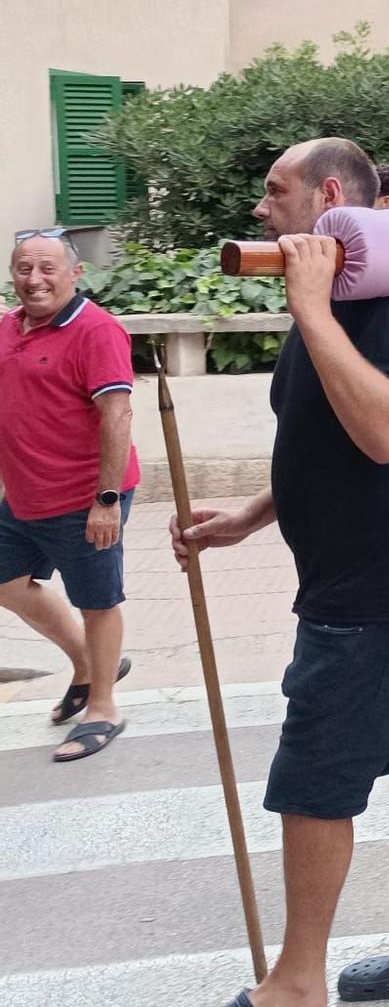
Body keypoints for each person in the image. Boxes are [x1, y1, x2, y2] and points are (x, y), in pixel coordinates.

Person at [174, 138, 389, 1006]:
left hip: (380, 582)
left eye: (276, 192)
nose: (260, 209)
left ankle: (296, 982)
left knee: (315, 775)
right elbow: (322, 432)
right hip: (381, 569)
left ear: (332, 195)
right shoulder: (337, 297)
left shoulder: (383, 304)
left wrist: (310, 308)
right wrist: (248, 515)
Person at [0, 231, 140, 763]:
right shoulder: (9, 327)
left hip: (84, 496)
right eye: (22, 268)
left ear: (75, 274)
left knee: (97, 599)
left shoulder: (96, 330)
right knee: (5, 581)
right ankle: (89, 662)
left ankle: (102, 706)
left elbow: (117, 416)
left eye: (46, 269)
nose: (33, 279)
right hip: (23, 494)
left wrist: (105, 500)